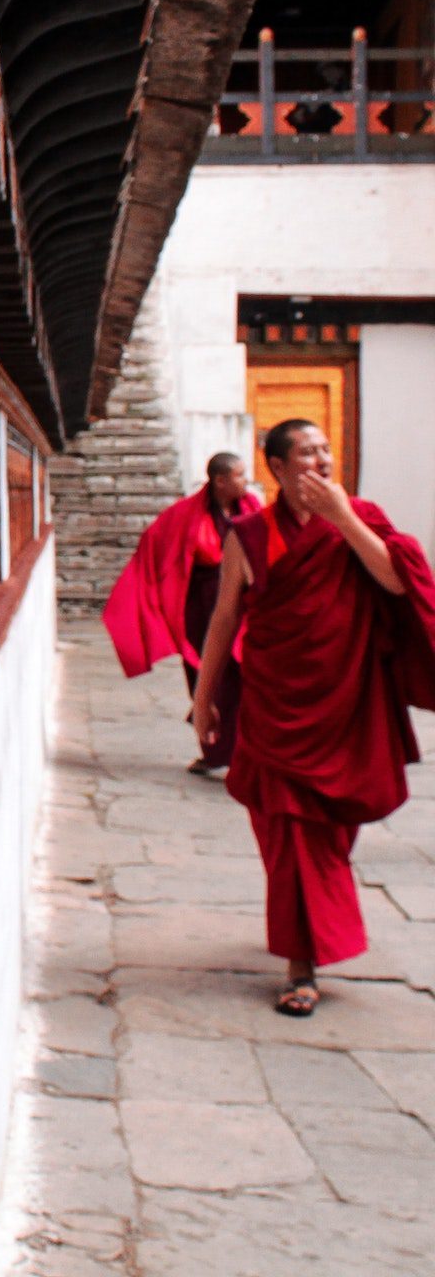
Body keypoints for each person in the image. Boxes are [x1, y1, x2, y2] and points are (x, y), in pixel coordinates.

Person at [193, 419, 435, 1016]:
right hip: (275, 706)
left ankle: (307, 929)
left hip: (346, 705)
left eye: (327, 449)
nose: (323, 460)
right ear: (278, 467)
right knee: (287, 834)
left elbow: (396, 583)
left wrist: (344, 518)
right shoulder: (249, 534)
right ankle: (301, 965)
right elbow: (224, 618)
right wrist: (204, 697)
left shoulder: (362, 517)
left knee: (330, 833)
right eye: (307, 452)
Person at [102, 452, 262, 773]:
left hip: (243, 606)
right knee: (206, 675)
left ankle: (248, 752)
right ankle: (214, 750)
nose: (246, 481)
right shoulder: (187, 514)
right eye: (240, 475)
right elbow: (155, 543)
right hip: (202, 608)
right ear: (220, 480)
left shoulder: (253, 508)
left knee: (244, 678)